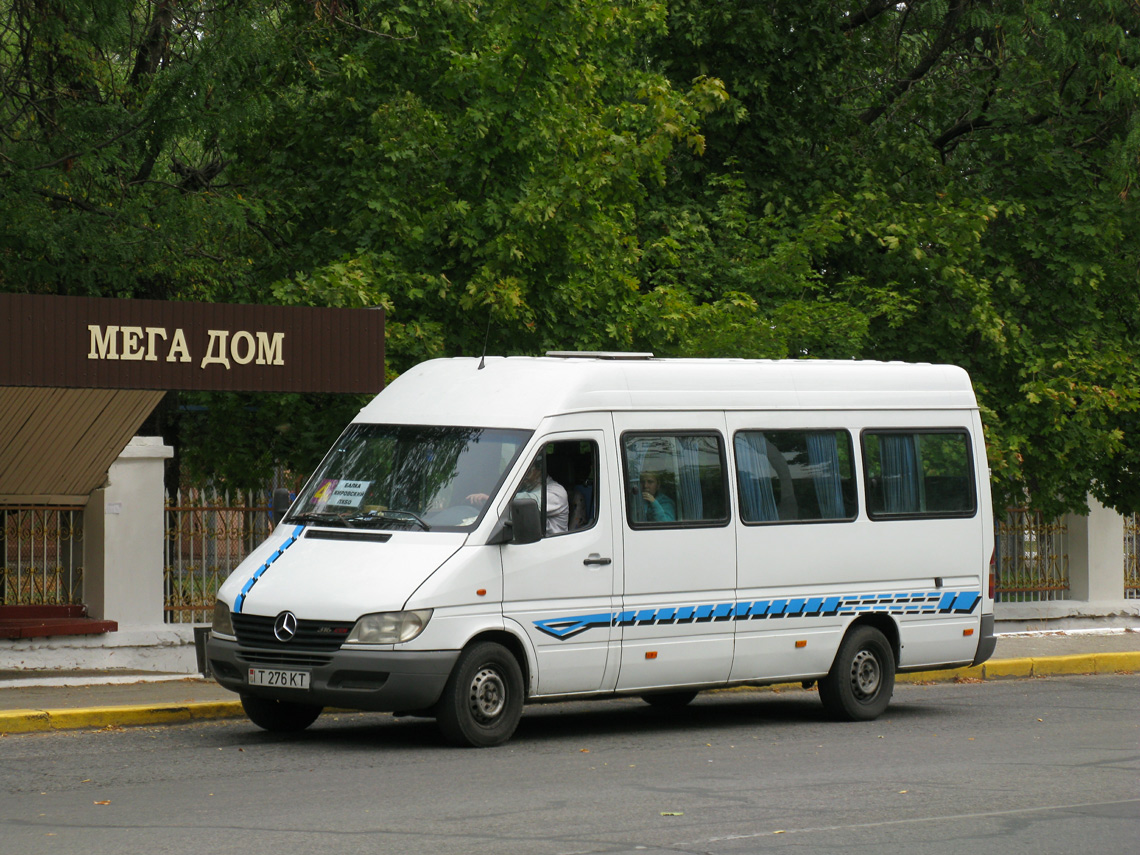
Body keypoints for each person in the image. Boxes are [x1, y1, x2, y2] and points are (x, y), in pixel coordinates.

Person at [466, 459, 568, 535]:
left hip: (551, 547)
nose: (524, 475)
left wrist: (491, 499)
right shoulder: (529, 487)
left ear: (539, 470)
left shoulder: (556, 492)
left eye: (528, 471)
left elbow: (530, 500)